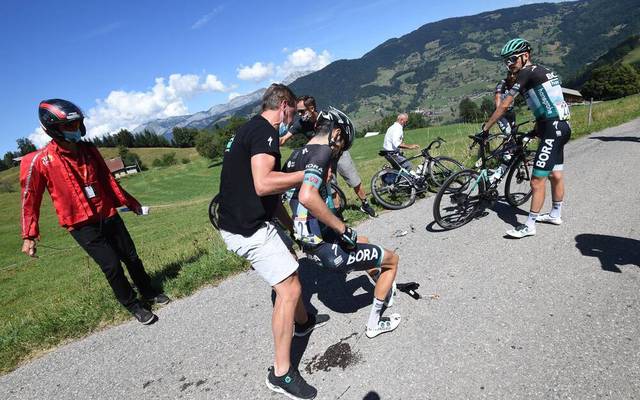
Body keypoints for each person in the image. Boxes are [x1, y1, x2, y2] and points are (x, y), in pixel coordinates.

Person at [217, 84, 325, 400]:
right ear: (284, 107)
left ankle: (303, 321)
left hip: (248, 221)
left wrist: (293, 228)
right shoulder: (265, 132)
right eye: (294, 111)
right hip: (247, 229)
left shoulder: (250, 129)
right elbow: (264, 184)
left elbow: (270, 196)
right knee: (289, 287)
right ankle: (281, 374)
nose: (294, 118)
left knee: (289, 265)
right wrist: (309, 174)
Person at [20, 99, 170, 325]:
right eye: (69, 126)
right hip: (81, 225)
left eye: (77, 124)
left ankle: (148, 291)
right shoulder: (39, 161)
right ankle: (133, 305)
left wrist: (131, 203)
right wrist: (29, 235)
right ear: (52, 128)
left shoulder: (89, 150)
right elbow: (30, 199)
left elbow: (109, 181)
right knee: (111, 265)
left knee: (131, 257)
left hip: (107, 213)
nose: (75, 130)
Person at [284, 107, 402, 339]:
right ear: (336, 133)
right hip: (327, 251)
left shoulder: (296, 155)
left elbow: (291, 196)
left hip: (309, 244)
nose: (338, 153)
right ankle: (375, 323)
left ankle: (381, 286)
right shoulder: (321, 153)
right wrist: (343, 228)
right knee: (392, 261)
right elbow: (307, 196)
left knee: (364, 241)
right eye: (341, 145)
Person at [481, 38, 571, 238]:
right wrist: (536, 129)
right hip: (561, 126)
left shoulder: (527, 72)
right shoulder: (541, 71)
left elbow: (504, 105)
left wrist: (486, 128)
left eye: (512, 59)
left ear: (525, 56)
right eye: (506, 61)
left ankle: (529, 226)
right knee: (555, 175)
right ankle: (555, 214)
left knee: (537, 180)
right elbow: (547, 103)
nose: (509, 64)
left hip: (552, 128)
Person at [280, 96, 377, 218]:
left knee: (353, 179)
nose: (300, 115)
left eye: (302, 111)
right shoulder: (301, 123)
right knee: (331, 185)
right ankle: (337, 213)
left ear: (311, 108)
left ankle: (365, 204)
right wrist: (276, 140)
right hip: (323, 157)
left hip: (339, 153)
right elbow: (284, 138)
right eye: (298, 112)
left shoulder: (327, 118)